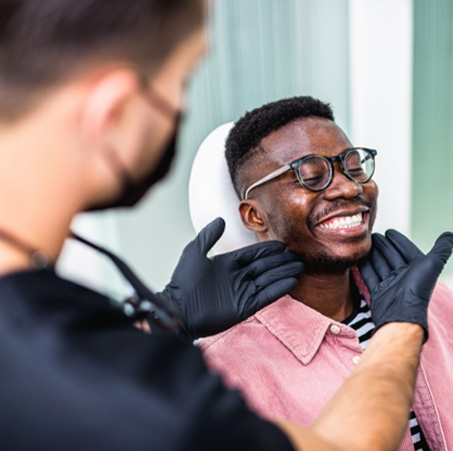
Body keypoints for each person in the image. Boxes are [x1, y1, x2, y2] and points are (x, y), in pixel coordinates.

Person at [0, 2, 451, 450]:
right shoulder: (214, 374)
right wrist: (402, 327)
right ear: (113, 111)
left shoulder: (440, 304)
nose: (346, 188)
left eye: (353, 166)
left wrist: (163, 317)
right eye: (183, 80)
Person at [199, 96, 453, 451]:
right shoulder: (224, 371)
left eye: (355, 167)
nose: (349, 187)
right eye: (312, 175)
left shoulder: (433, 302)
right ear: (255, 216)